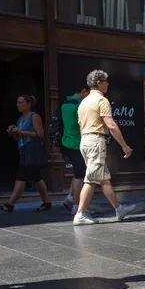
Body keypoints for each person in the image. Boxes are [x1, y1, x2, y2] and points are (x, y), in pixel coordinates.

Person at [73, 70, 137, 225]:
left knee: (103, 178)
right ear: (99, 83)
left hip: (85, 141)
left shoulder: (84, 102)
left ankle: (119, 209)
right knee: (91, 179)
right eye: (106, 81)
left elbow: (81, 126)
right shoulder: (101, 100)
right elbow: (112, 126)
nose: (108, 84)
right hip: (95, 140)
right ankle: (80, 214)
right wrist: (124, 146)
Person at [0, 95, 52, 213]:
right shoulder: (20, 119)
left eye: (20, 102)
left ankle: (10, 204)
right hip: (23, 149)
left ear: (28, 104)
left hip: (32, 150)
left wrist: (20, 131)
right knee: (37, 178)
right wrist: (13, 132)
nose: (18, 105)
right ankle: (47, 202)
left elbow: (40, 134)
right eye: (17, 102)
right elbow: (19, 138)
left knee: (21, 176)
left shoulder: (34, 116)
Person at [60, 86, 89, 214]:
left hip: (66, 142)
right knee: (80, 176)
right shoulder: (79, 105)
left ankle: (69, 199)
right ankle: (77, 208)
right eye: (87, 93)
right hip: (76, 144)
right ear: (83, 91)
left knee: (78, 172)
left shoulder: (65, 103)